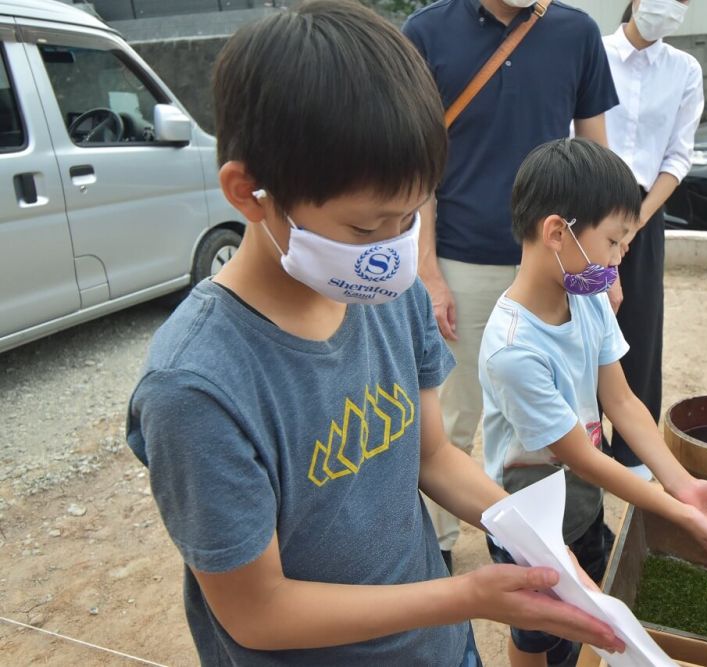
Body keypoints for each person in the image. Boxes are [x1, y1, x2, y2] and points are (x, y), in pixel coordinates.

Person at [125, 3, 627, 664]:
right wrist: (468, 595)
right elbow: (257, 610)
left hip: (439, 647)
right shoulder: (199, 387)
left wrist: (536, 547)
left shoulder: (385, 292)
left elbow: (432, 454)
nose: (391, 251)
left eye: (410, 216)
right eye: (367, 227)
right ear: (249, 193)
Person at [480, 138, 707, 667]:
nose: (620, 256)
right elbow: (580, 455)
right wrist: (675, 511)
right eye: (613, 240)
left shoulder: (586, 298)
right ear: (557, 232)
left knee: (583, 611)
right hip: (531, 517)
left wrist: (682, 483)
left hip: (583, 502)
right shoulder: (513, 349)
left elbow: (624, 401)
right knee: (538, 628)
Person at [402, 0, 620, 569]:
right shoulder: (426, 32)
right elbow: (416, 162)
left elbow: (596, 158)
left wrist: (607, 266)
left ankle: (567, 525)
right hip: (461, 257)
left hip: (560, 261)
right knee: (453, 415)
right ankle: (440, 545)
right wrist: (427, 272)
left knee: (568, 409)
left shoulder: (576, 31)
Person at [599, 0, 703, 478]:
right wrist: (601, 223)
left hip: (645, 206)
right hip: (586, 198)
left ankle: (634, 451)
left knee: (640, 323)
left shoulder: (684, 69)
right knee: (579, 316)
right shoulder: (593, 52)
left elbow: (679, 156)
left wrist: (633, 224)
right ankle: (583, 440)